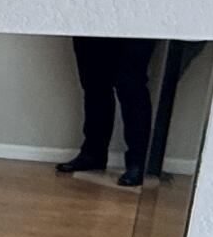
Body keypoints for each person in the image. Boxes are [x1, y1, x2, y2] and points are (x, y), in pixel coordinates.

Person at [60, 37, 158, 187]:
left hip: (139, 18)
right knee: (93, 81)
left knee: (131, 83)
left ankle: (137, 163)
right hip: (91, 18)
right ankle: (93, 153)